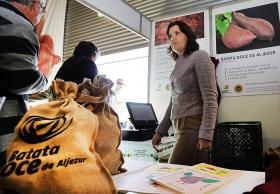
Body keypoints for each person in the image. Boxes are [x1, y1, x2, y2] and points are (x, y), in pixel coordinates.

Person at [152, 21, 218, 165]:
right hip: (179, 128)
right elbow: (173, 101)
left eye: (177, 33)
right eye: (169, 36)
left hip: (193, 125)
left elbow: (210, 97)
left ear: (187, 35)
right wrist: (160, 131)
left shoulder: (199, 56)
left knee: (172, 171)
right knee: (193, 178)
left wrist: (206, 134)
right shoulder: (178, 64)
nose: (172, 39)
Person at [0, 0, 48, 167]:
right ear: (36, 4)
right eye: (44, 9)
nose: (42, 15)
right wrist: (45, 80)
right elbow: (22, 80)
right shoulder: (19, 25)